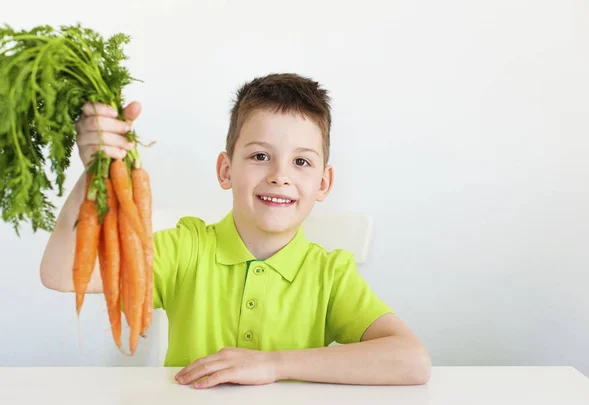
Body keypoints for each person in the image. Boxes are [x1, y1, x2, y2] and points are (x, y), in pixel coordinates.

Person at [40, 73, 431, 389]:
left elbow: (412, 361)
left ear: (324, 184)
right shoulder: (186, 249)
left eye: (301, 162)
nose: (280, 176)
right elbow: (59, 274)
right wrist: (95, 172)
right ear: (226, 170)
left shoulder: (330, 275)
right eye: (260, 156)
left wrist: (273, 365)